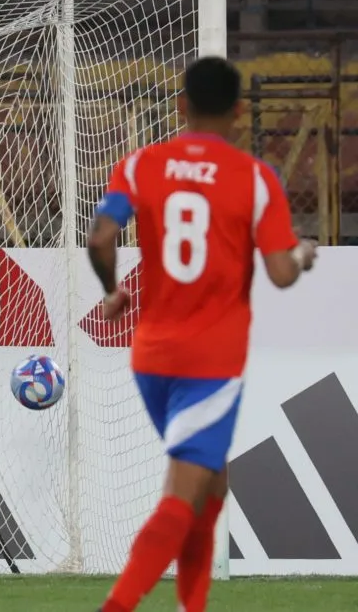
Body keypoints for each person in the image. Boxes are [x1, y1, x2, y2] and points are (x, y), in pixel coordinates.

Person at [87, 57, 317, 612]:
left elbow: (99, 237)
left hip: (152, 357)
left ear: (181, 105)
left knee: (212, 487)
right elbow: (281, 274)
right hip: (210, 362)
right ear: (239, 111)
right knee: (181, 499)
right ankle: (117, 606)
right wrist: (302, 255)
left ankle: (193, 607)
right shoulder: (254, 178)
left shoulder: (140, 165)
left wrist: (113, 291)